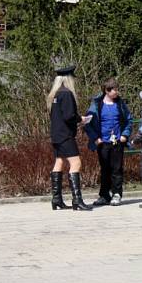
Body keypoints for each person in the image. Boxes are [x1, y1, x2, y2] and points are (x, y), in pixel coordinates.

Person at [47, 64, 92, 211]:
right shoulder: (66, 93)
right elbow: (69, 115)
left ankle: (56, 199)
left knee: (59, 162)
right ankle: (77, 200)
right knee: (76, 163)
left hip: (56, 134)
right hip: (65, 135)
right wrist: (81, 119)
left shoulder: (55, 94)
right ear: (68, 79)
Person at [84, 78, 133, 207]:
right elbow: (87, 123)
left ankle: (117, 194)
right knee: (105, 169)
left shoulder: (121, 104)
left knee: (117, 169)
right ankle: (104, 195)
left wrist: (124, 135)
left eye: (117, 89)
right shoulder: (96, 105)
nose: (117, 92)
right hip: (103, 142)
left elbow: (128, 120)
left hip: (117, 142)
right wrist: (95, 138)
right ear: (106, 90)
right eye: (114, 90)